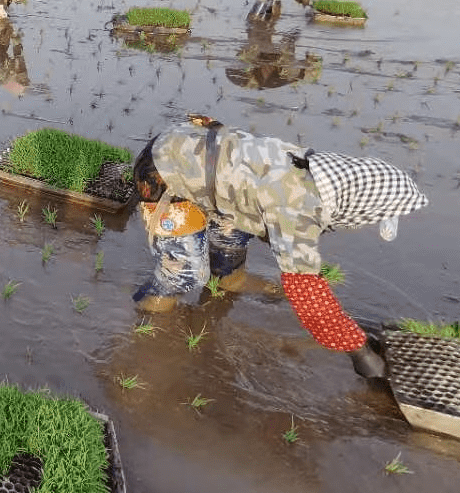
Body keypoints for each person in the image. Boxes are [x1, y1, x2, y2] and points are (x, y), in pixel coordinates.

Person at [131, 116, 428, 379]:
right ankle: (148, 320)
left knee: (233, 234)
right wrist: (359, 351)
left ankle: (229, 279)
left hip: (200, 156)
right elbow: (308, 296)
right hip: (164, 171)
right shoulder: (298, 208)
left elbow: (268, 209)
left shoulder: (322, 172)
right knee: (185, 272)